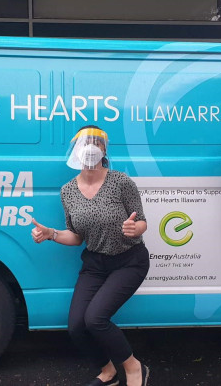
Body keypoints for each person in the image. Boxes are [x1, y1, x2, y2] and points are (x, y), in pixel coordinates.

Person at [31, 125, 150, 386]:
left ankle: (134, 368)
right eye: (84, 143)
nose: (90, 148)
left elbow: (141, 223)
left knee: (95, 319)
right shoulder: (68, 191)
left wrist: (134, 228)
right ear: (75, 151)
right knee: (76, 326)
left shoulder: (121, 182)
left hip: (129, 260)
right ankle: (108, 373)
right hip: (95, 263)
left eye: (96, 143)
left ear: (104, 150)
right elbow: (76, 237)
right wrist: (50, 233)